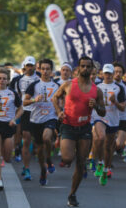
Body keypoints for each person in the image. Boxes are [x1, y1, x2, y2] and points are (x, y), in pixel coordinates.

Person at [52, 56, 105, 207]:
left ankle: (72, 194)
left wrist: (96, 106)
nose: (86, 69)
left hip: (85, 128)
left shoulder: (97, 91)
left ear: (92, 69)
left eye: (89, 67)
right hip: (68, 126)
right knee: (68, 159)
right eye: (83, 66)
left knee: (81, 163)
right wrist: (59, 112)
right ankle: (64, 143)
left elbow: (103, 112)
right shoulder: (68, 85)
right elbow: (55, 98)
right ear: (78, 68)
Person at [24, 59, 59, 185]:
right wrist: (34, 100)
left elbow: (63, 101)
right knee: (39, 149)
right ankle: (43, 170)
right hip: (35, 120)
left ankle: (49, 159)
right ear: (39, 70)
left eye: (47, 69)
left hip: (50, 117)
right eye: (42, 69)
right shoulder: (34, 85)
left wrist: (60, 111)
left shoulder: (57, 86)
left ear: (51, 70)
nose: (45, 71)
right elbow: (24, 102)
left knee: (47, 138)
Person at [92, 64, 126, 184]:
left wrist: (115, 102)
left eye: (110, 73)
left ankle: (106, 170)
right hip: (100, 117)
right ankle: (100, 162)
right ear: (102, 74)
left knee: (108, 147)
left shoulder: (119, 88)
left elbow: (122, 108)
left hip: (113, 120)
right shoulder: (97, 87)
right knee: (101, 138)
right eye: (106, 73)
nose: (108, 75)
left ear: (113, 74)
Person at [14, 56, 39, 181]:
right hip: (26, 112)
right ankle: (27, 167)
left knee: (39, 141)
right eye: (28, 65)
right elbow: (18, 97)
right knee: (26, 138)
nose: (29, 68)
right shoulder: (19, 80)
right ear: (24, 66)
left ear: (35, 66)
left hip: (39, 112)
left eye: (32, 65)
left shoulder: (40, 78)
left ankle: (44, 164)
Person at [113, 62, 126, 161]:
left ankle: (114, 149)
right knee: (107, 141)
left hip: (123, 116)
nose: (118, 74)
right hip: (110, 116)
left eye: (120, 72)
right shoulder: (107, 85)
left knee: (119, 144)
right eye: (115, 72)